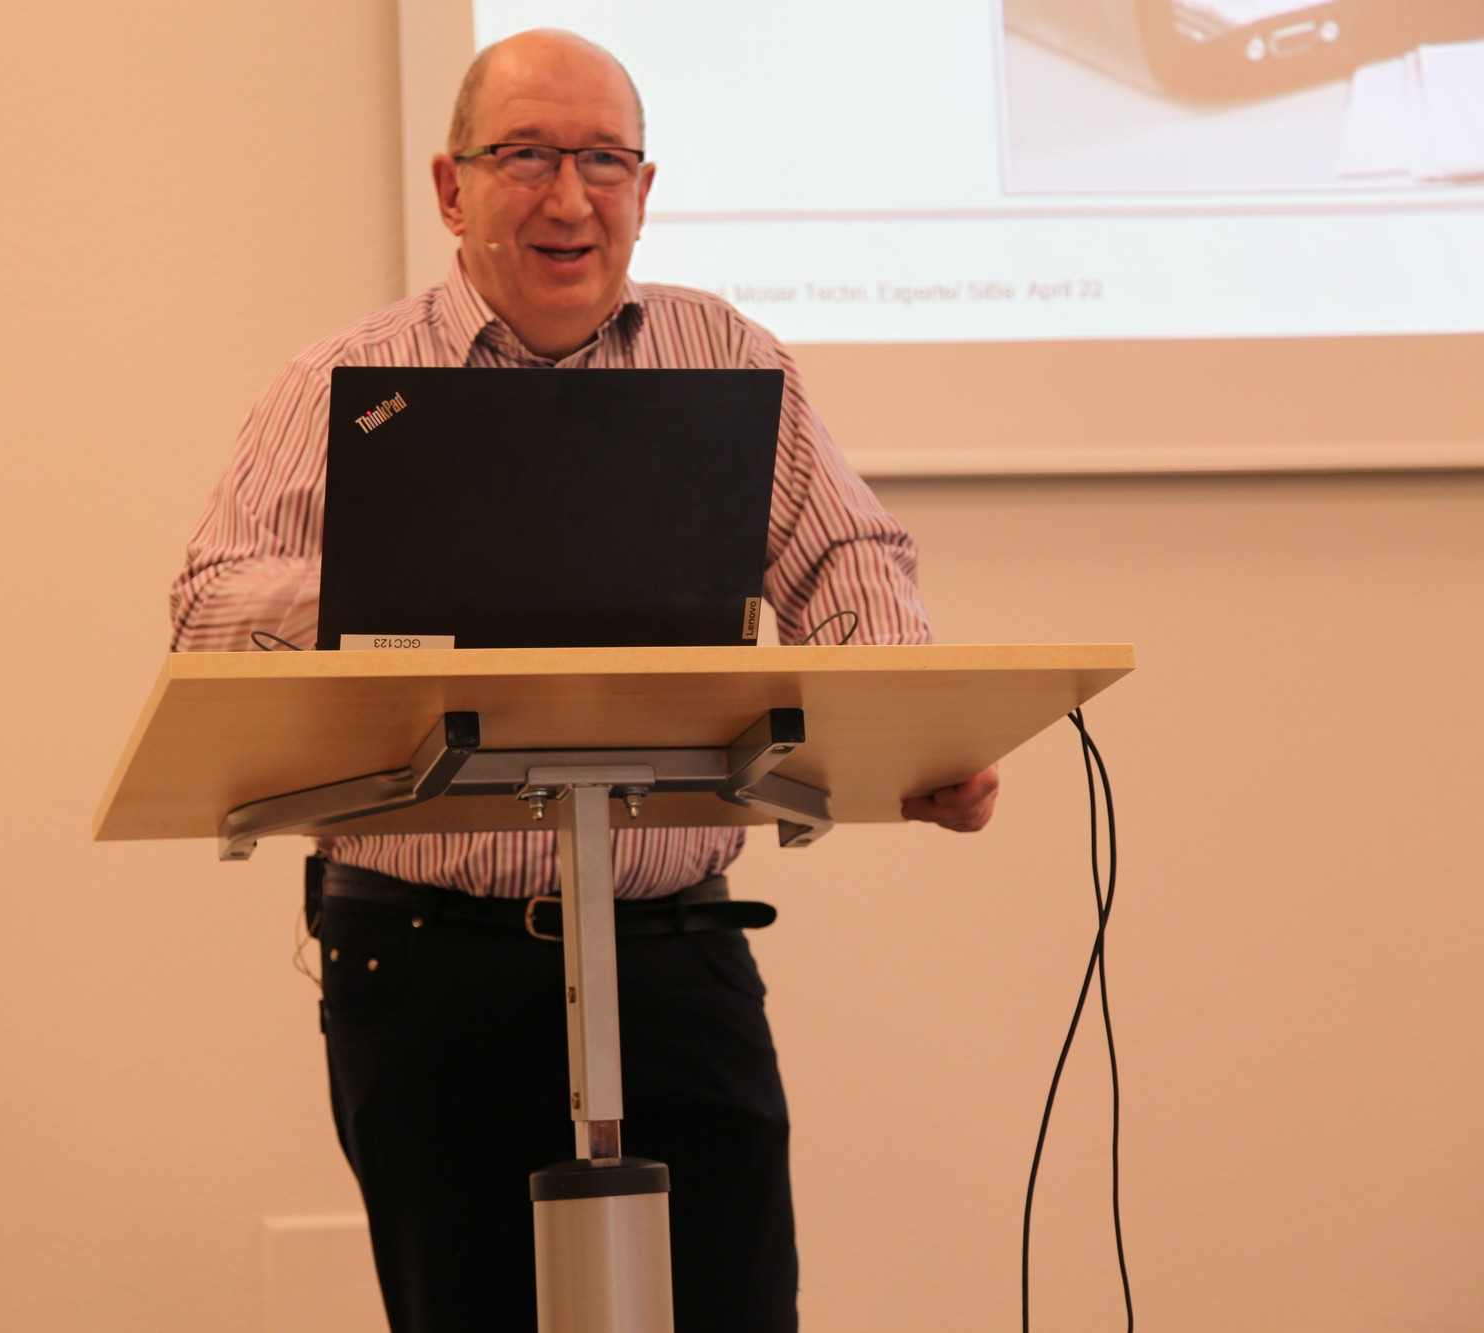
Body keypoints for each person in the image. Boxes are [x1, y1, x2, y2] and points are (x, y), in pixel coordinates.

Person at [170, 28, 998, 1331]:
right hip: (429, 965)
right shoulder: (346, 383)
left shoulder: (725, 358)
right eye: (527, 156)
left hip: (675, 955)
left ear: (645, 187)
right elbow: (211, 610)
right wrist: (409, 600)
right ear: (451, 188)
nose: (570, 196)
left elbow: (847, 556)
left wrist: (909, 724)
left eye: (604, 159)